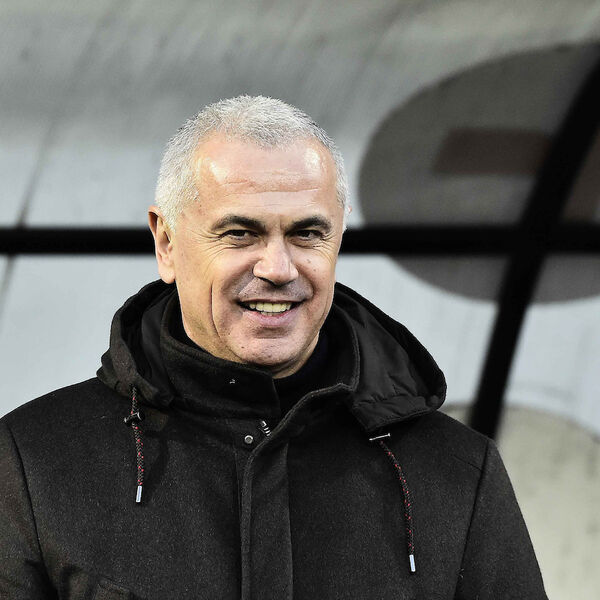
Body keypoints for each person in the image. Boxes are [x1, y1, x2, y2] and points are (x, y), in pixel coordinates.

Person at [0, 95, 547, 599]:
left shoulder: (457, 471)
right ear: (166, 242)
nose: (279, 269)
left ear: (339, 238)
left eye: (307, 234)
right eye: (240, 233)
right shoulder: (33, 462)